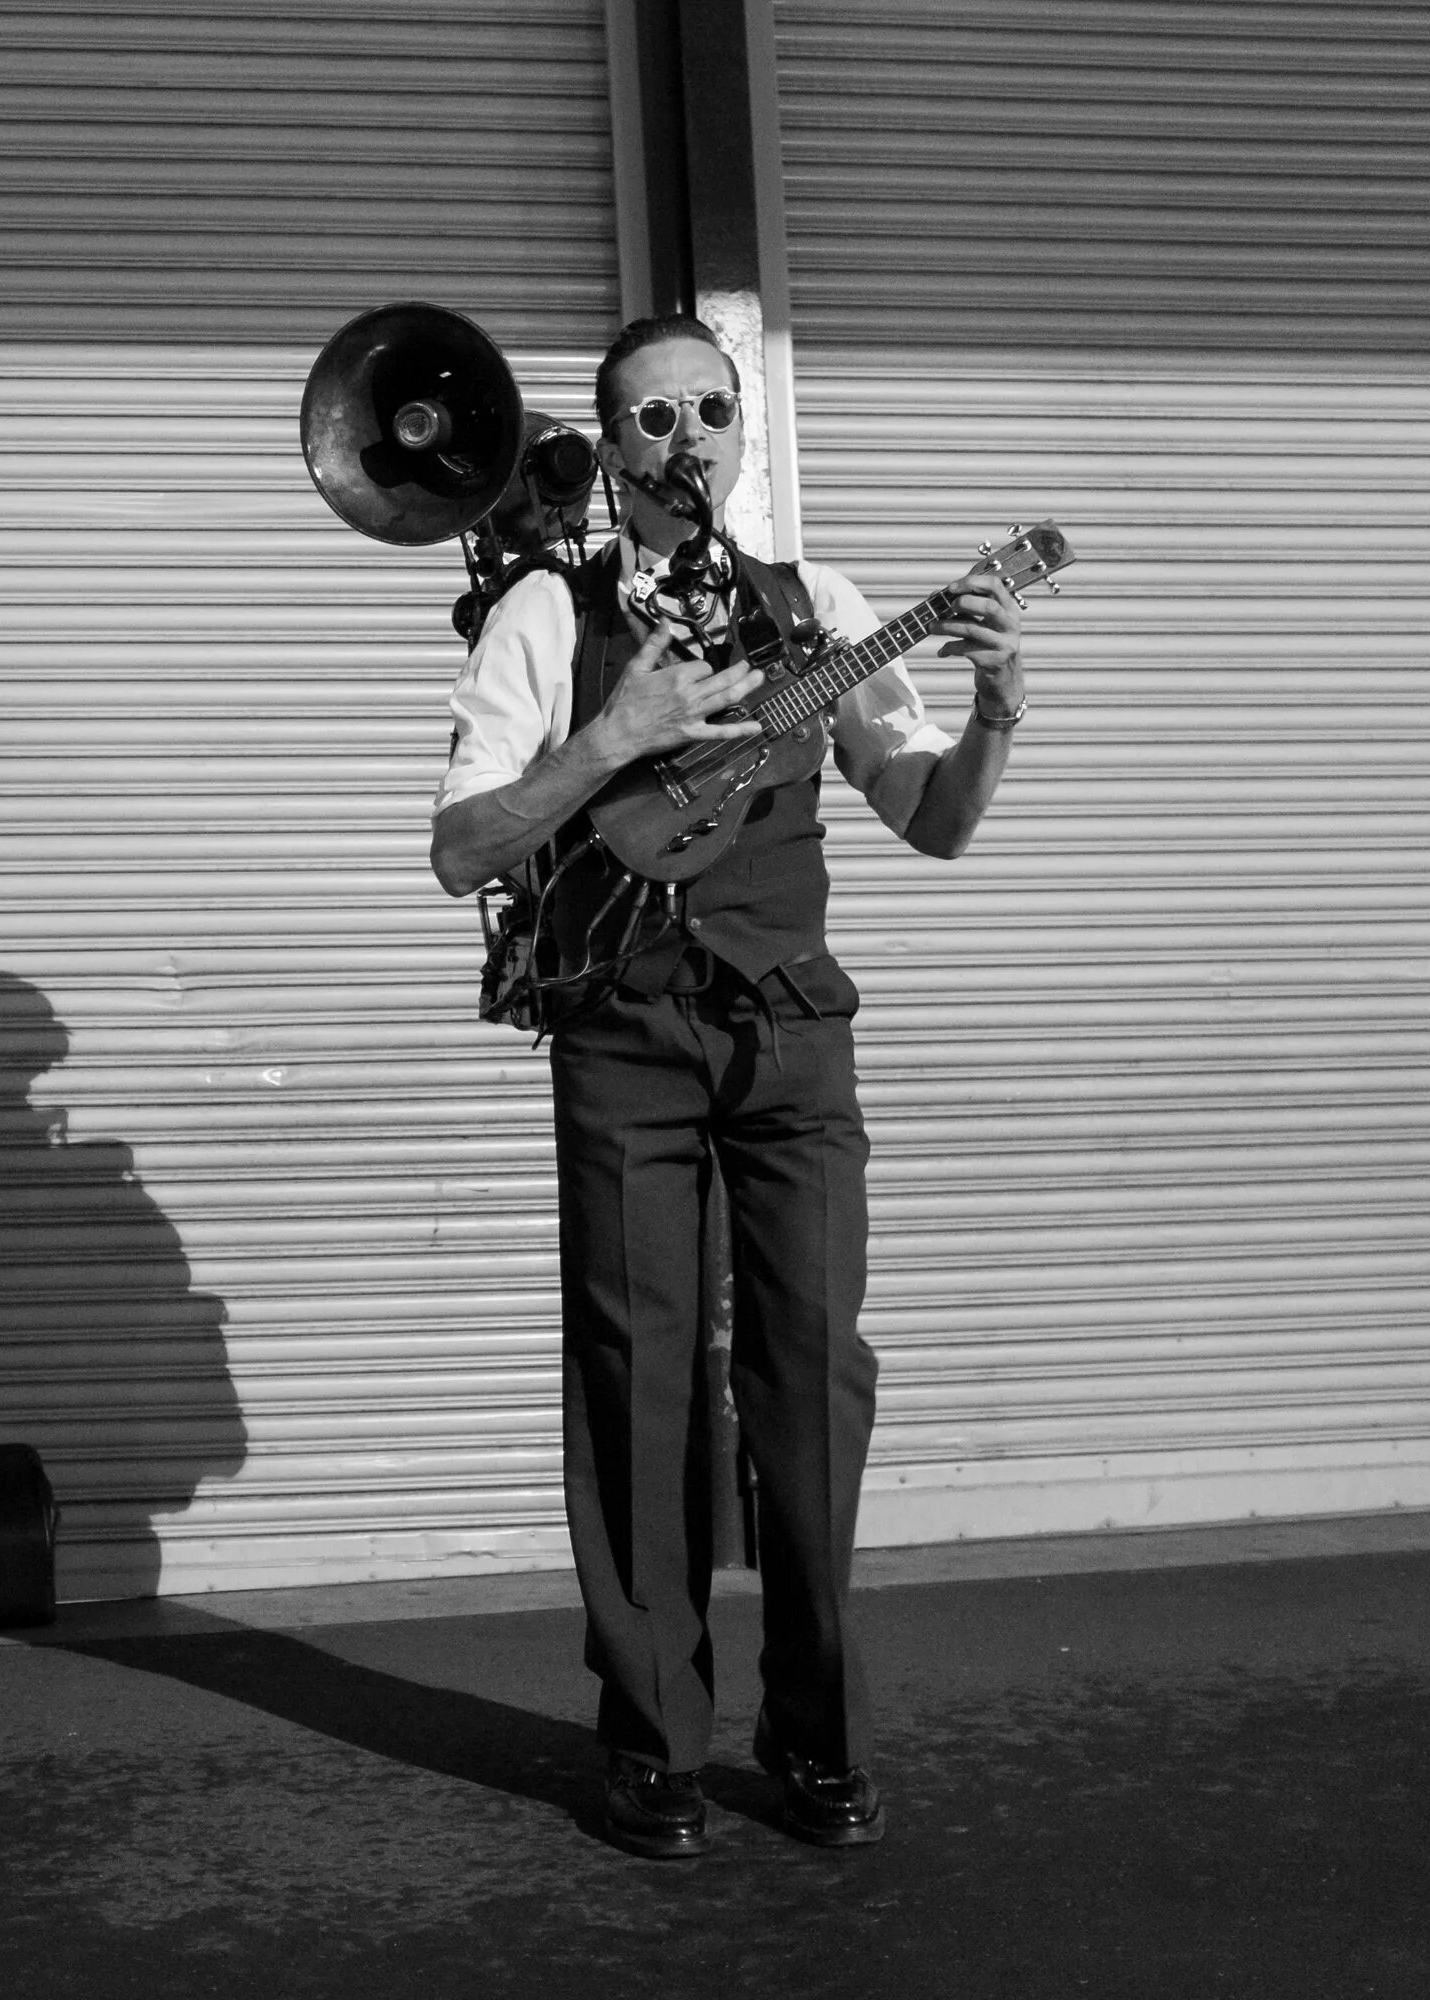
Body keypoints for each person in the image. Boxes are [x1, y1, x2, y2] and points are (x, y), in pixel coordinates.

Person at [428, 313, 1028, 1857]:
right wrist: (607, 740)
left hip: (791, 1038)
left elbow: (932, 822)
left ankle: (817, 1737)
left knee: (814, 1378)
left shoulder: (818, 607)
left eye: (710, 409)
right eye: (648, 418)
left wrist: (999, 712)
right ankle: (652, 1741)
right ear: (611, 448)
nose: (684, 438)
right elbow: (462, 849)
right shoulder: (544, 623)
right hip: (625, 1037)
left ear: (743, 433)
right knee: (641, 1384)